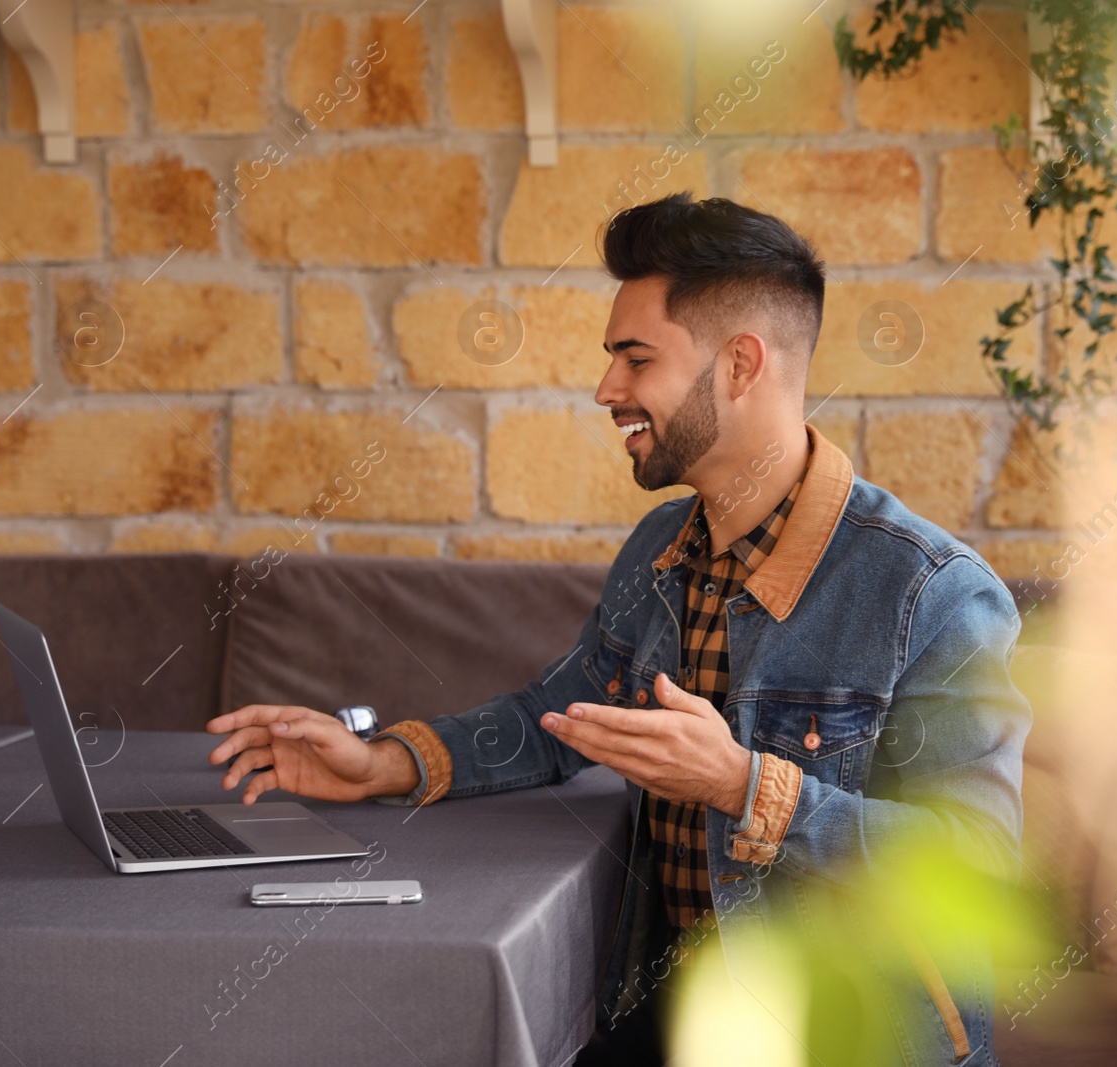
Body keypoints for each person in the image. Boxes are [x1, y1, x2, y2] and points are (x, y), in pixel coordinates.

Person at [204, 192, 1031, 1065]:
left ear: (741, 365)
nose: (607, 390)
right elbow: (559, 714)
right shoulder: (659, 549)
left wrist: (744, 783)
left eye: (635, 360)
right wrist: (383, 761)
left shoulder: (930, 592)